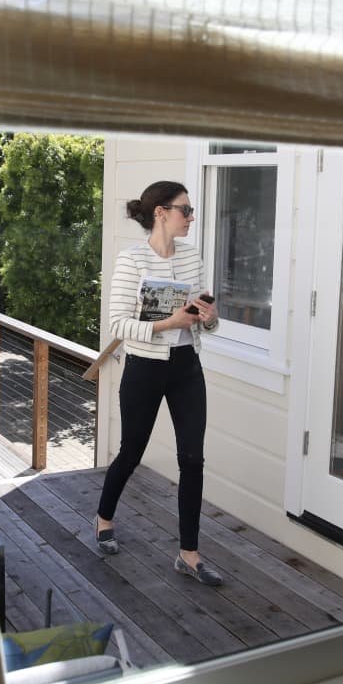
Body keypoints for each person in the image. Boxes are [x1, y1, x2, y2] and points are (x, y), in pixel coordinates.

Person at [94, 180, 223, 586]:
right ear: (161, 214)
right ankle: (103, 518)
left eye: (191, 210)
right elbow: (117, 325)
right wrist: (169, 323)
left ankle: (189, 554)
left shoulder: (192, 256)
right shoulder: (131, 260)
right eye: (186, 210)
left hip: (187, 367)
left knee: (193, 460)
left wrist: (208, 318)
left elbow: (203, 320)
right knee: (131, 452)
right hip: (144, 368)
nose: (191, 217)